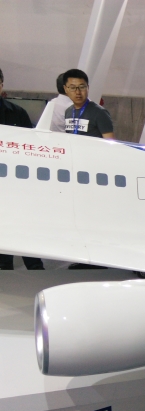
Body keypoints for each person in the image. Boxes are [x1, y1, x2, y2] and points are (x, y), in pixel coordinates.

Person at [0, 68, 44, 270]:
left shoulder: (17, 112)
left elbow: (32, 147)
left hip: (16, 180)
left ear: (2, 85)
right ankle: (4, 266)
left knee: (21, 223)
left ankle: (34, 266)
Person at [62, 68, 114, 139]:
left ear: (88, 88)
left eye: (82, 87)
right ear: (65, 89)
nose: (78, 92)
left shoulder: (100, 112)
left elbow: (110, 141)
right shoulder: (68, 111)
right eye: (73, 88)